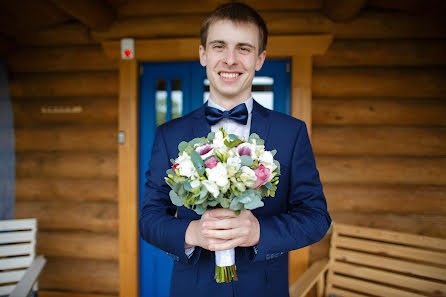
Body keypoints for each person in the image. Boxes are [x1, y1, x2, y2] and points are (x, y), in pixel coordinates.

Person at [139, 2, 331, 297]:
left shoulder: (291, 133)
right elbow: (150, 217)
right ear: (203, 54)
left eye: (243, 48)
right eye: (219, 46)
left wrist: (259, 233)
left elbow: (317, 217)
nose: (230, 60)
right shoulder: (170, 135)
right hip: (192, 290)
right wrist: (191, 233)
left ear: (260, 58)